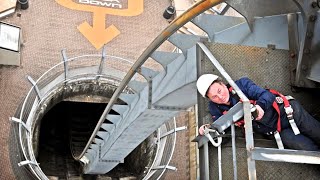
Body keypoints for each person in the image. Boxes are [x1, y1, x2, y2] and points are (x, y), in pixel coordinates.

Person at [197, 74, 320, 151]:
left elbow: (265, 95)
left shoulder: (241, 85)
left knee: (316, 133)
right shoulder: (215, 108)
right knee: (307, 149)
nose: (220, 96)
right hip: (277, 130)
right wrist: (209, 130)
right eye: (214, 96)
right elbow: (223, 132)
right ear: (210, 99)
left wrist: (260, 107)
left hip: (288, 113)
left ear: (223, 84)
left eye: (219, 90)